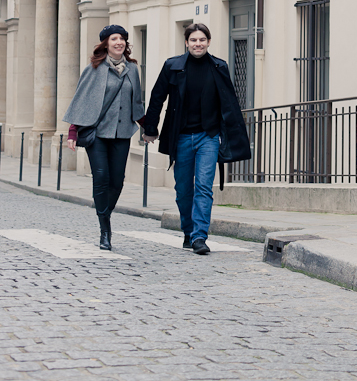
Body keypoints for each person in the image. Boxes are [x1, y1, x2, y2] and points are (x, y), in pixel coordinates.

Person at [142, 23, 251, 255]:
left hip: (208, 137)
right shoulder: (173, 66)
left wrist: (232, 137)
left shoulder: (219, 67)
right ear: (186, 42)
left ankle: (200, 237)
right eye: (193, 40)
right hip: (180, 137)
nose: (198, 43)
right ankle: (188, 230)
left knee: (203, 187)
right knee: (183, 189)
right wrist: (150, 128)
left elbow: (230, 104)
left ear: (209, 42)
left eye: (202, 40)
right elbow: (156, 97)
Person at [64, 25, 145, 251]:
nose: (119, 42)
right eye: (114, 39)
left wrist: (148, 128)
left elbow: (137, 103)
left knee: (117, 181)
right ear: (106, 43)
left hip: (121, 133)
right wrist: (73, 131)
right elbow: (81, 101)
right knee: (101, 177)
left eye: (122, 39)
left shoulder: (132, 70)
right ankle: (105, 229)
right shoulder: (94, 68)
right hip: (97, 133)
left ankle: (103, 212)